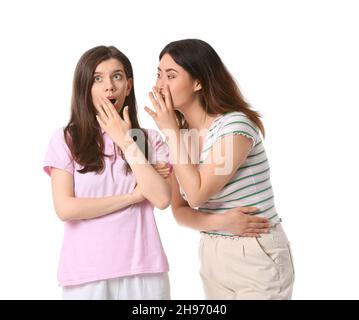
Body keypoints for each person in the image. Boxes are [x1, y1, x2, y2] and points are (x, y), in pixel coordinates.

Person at [145, 39, 295, 299]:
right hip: (212, 251)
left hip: (256, 251)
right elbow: (180, 212)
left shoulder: (235, 125)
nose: (161, 85)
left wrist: (169, 130)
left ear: (198, 82)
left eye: (171, 76)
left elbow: (197, 195)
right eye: (159, 75)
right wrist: (222, 222)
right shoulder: (180, 139)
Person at [43, 46, 172, 300]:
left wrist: (125, 141)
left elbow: (162, 198)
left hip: (143, 272)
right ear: (85, 87)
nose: (109, 87)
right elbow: (66, 209)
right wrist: (133, 197)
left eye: (117, 76)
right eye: (97, 78)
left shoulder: (150, 140)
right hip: (85, 276)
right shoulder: (66, 140)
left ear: (129, 85)